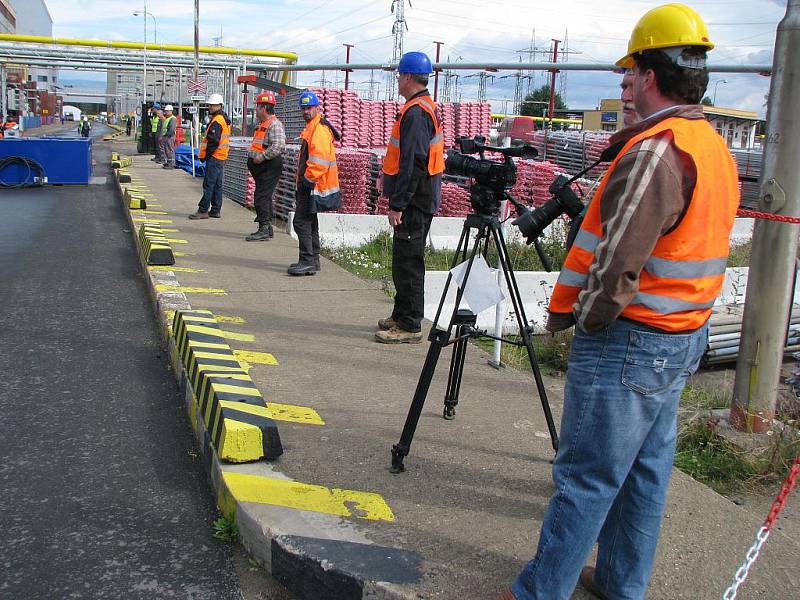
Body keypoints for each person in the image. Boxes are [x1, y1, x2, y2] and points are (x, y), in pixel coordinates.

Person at [497, 4, 740, 600]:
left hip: (631, 341)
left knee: (585, 477)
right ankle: (619, 583)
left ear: (652, 73)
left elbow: (616, 266)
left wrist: (588, 321)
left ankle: (539, 592)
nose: (626, 82)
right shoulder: (709, 145)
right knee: (644, 473)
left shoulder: (659, 150)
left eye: (630, 72)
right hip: (681, 335)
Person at [375, 51, 444, 344]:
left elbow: (413, 162)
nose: (397, 81)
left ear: (407, 77)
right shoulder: (421, 106)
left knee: (409, 263)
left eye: (398, 76)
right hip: (419, 197)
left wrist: (398, 203)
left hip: (414, 200)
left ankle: (409, 324)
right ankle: (401, 312)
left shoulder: (416, 112)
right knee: (402, 259)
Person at [287, 90, 341, 275]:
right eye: (303, 108)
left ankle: (307, 260)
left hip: (312, 184)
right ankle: (313, 260)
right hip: (314, 184)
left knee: (301, 222)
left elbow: (319, 160)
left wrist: (306, 181)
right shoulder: (314, 127)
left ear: (317, 107)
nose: (306, 111)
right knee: (310, 222)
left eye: (309, 108)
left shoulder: (318, 130)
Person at [245, 91, 286, 241]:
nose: (255, 110)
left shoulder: (274, 124)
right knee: (265, 196)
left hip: (269, 165)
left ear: (263, 108)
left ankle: (263, 228)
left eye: (257, 107)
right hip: (262, 166)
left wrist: (260, 158)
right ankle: (267, 228)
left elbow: (278, 146)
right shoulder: (263, 125)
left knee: (261, 196)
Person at [189, 94, 231, 220]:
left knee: (209, 184)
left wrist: (205, 155)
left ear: (219, 105)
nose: (210, 107)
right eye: (210, 104)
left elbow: (213, 141)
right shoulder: (223, 119)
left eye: (212, 105)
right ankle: (215, 210)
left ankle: (203, 210)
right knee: (217, 184)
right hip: (221, 156)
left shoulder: (217, 120)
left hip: (215, 156)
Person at [160, 105, 177, 169]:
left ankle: (171, 163)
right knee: (166, 150)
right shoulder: (168, 118)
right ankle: (168, 162)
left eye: (167, 111)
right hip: (166, 136)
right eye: (165, 111)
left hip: (169, 136)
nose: (166, 112)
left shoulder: (173, 119)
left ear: (171, 111)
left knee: (169, 150)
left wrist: (167, 135)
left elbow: (171, 129)